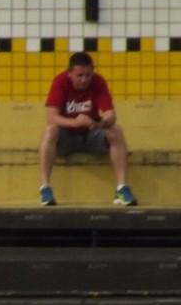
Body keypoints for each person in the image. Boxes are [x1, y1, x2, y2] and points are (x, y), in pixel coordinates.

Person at [39, 51, 137, 206]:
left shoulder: (98, 82)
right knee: (50, 130)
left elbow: (111, 115)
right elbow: (51, 117)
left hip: (91, 136)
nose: (84, 80)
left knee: (116, 130)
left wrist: (100, 123)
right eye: (79, 76)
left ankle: (121, 187)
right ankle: (45, 187)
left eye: (88, 75)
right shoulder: (60, 82)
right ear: (70, 73)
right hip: (66, 138)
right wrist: (75, 122)